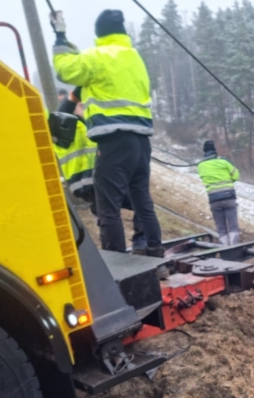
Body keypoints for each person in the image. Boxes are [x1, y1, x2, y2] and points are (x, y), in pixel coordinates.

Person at [49, 9, 163, 257]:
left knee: (107, 207)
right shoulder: (134, 58)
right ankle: (155, 252)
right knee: (142, 201)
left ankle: (118, 265)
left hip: (114, 141)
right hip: (142, 141)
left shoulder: (99, 57)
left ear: (99, 33)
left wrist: (60, 37)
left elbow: (66, 70)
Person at [50, 88, 146, 253]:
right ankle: (118, 255)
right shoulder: (67, 129)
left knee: (138, 206)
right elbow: (61, 114)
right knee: (109, 215)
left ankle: (139, 246)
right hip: (87, 181)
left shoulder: (91, 126)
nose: (83, 107)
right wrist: (72, 97)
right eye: (80, 105)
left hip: (103, 178)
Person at [196, 141, 240, 245]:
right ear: (215, 151)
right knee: (233, 226)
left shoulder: (200, 166)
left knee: (221, 229)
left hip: (214, 199)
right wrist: (229, 182)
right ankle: (234, 248)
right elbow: (236, 175)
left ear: (204, 152)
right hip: (229, 197)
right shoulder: (223, 161)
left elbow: (204, 178)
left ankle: (224, 250)